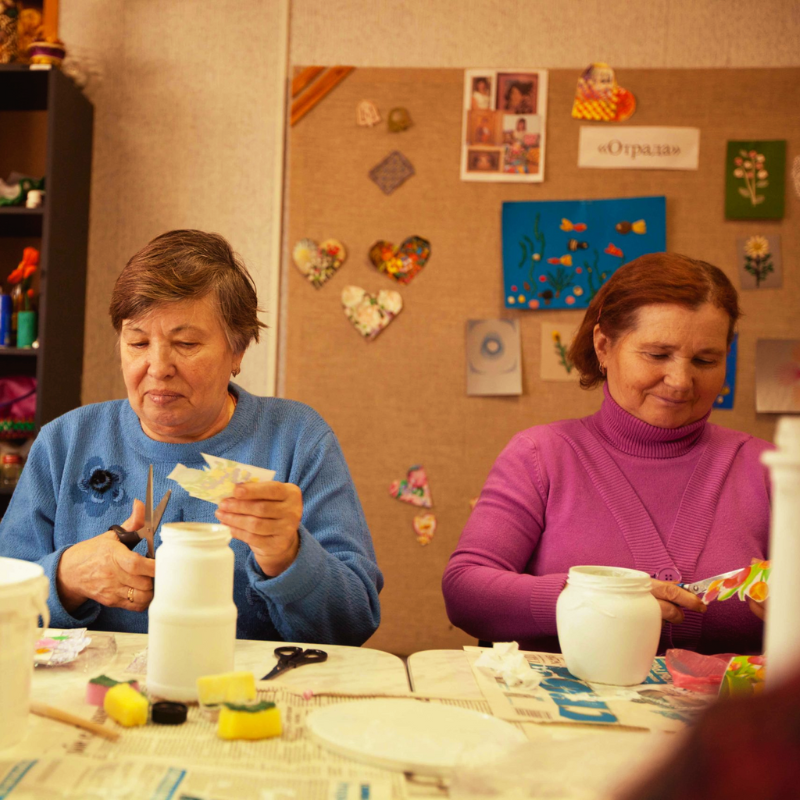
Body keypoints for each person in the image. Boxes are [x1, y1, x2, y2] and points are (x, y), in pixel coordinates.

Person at [0, 230, 382, 645]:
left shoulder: (296, 440)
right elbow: (6, 604)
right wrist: (67, 577)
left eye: (185, 343)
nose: (158, 366)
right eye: (138, 341)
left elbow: (354, 621)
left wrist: (286, 556)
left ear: (238, 351)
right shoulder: (65, 442)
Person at [443, 253, 770, 655]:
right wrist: (591, 599)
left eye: (706, 360)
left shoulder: (771, 470)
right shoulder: (540, 457)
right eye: (657, 354)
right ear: (603, 345)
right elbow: (465, 590)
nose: (681, 381)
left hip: (725, 717)